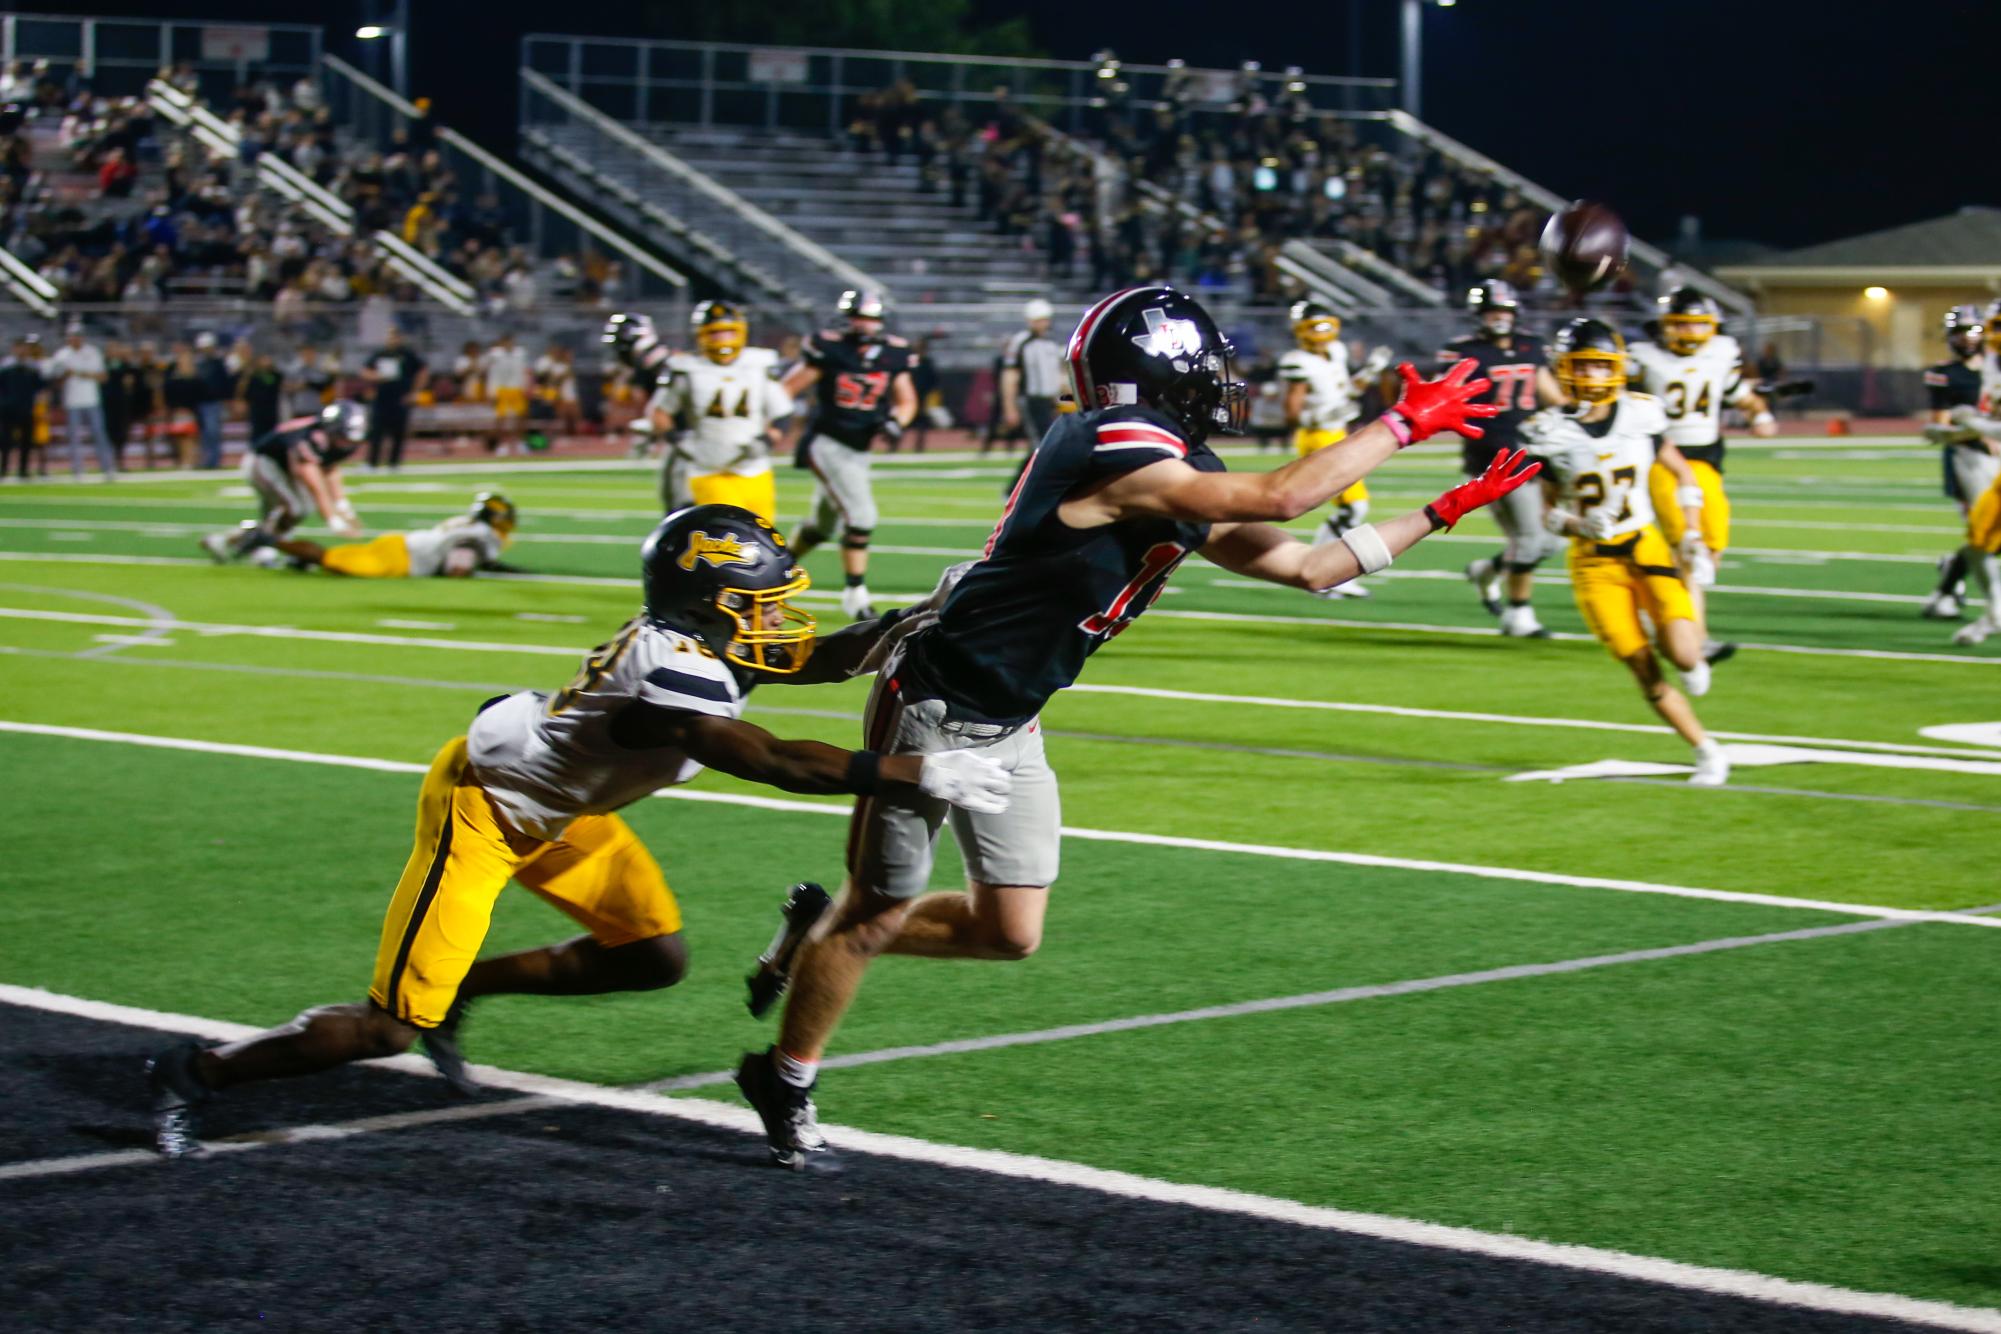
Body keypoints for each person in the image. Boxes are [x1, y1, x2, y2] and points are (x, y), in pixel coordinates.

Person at [735, 284, 1530, 1169]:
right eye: (1207, 368)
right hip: (939, 701)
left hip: (1014, 716)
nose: (1222, 383)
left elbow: (1310, 564)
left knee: (1009, 932)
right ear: (1162, 372)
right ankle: (784, 1078)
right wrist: (1402, 424)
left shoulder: (1166, 468)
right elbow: (1279, 497)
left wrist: (1443, 510)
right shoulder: (1111, 444)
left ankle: (818, 935)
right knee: (876, 907)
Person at [145, 505, 1012, 1158]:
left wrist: (916, 620)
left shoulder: (696, 636)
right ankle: (198, 1070)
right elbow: (767, 757)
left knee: (651, 956)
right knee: (385, 1030)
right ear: (713, 601)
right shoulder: (672, 666)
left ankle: (464, 991)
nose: (777, 618)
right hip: (486, 807)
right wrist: (916, 772)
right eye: (761, 602)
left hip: (559, 804)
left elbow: (815, 656)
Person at [1524, 318, 1728, 785]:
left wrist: (1692, 533)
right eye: (1584, 366)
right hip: (1593, 562)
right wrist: (1577, 523)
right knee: (1642, 665)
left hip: (1644, 543)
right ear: (1564, 369)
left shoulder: (1641, 413)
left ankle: (1694, 659)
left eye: (1602, 366)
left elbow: (1685, 476)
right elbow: (1549, 513)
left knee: (1683, 653)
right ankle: (1706, 750)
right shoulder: (1546, 430)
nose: (1594, 376)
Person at [1624, 288, 1776, 663]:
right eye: (1682, 324)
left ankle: (1662, 610)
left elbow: (1738, 393)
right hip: (1661, 458)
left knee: (1713, 547)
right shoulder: (1641, 358)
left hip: (1706, 460)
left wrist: (1759, 413)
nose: (1691, 333)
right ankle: (1695, 637)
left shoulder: (1721, 352)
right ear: (1664, 326)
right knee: (1688, 551)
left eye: (1697, 324)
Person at [783, 290, 920, 620]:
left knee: (821, 525)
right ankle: (855, 594)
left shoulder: (893, 353)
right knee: (861, 516)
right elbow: (787, 388)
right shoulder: (829, 348)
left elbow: (906, 401)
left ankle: (778, 566)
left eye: (870, 318)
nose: (863, 324)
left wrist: (895, 422)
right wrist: (774, 422)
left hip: (860, 448)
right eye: (858, 316)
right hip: (828, 440)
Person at [1447, 279, 1566, 636]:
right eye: (1491, 312)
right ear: (1479, 316)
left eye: (1503, 311)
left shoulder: (1531, 347)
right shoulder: (1466, 352)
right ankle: (1518, 614)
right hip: (1493, 454)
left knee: (1554, 539)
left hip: (1534, 449)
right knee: (1530, 538)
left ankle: (1488, 570)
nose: (1499, 318)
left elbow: (1550, 394)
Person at [1277, 299, 1390, 597]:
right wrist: (1317, 416)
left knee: (1352, 507)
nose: (1322, 332)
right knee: (1354, 506)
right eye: (1315, 326)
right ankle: (1325, 572)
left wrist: (1369, 371)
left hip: (1338, 432)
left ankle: (1321, 569)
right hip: (1317, 435)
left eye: (1325, 325)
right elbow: (1291, 412)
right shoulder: (1297, 361)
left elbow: (1348, 393)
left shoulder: (1336, 352)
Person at [652, 301, 792, 523]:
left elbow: (782, 413)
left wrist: (767, 440)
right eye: (715, 333)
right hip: (708, 467)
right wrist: (676, 439)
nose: (722, 339)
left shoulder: (759, 363)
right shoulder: (685, 368)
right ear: (701, 335)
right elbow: (660, 412)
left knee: (765, 538)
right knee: (733, 533)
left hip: (754, 467)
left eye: (728, 332)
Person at [198, 400, 368, 563]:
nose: (346, 444)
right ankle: (266, 547)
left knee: (291, 512)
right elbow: (314, 483)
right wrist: (333, 520)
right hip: (264, 463)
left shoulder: (337, 440)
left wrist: (343, 507)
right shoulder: (309, 437)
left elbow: (331, 470)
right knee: (295, 508)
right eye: (343, 437)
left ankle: (224, 540)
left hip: (284, 468)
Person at [242, 492, 520, 579]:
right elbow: (459, 566)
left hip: (401, 545)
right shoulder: (481, 533)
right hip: (401, 557)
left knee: (336, 560)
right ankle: (267, 540)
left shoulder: (470, 524)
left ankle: (293, 556)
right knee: (331, 558)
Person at [1918, 305, 1994, 620]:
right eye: (1960, 332)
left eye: (1972, 330)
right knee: (1984, 531)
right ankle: (1949, 592)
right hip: (1968, 459)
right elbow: (1939, 429)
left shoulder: (1994, 371)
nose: (1966, 338)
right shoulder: (1945, 373)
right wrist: (1978, 431)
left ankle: (1948, 580)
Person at [43, 321, 116, 480]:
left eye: (77, 336)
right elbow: (56, 381)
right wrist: (65, 375)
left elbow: (103, 377)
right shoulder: (62, 355)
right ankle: (78, 470)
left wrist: (77, 373)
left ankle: (108, 468)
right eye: (72, 336)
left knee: (99, 434)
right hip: (72, 401)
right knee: (74, 437)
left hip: (91, 400)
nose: (75, 339)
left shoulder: (92, 352)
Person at [362, 325, 427, 471]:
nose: (392, 340)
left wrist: (414, 392)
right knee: (377, 431)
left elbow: (422, 371)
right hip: (382, 398)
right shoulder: (380, 354)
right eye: (390, 336)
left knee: (398, 432)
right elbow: (365, 371)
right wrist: (376, 377)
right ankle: (372, 463)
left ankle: (394, 463)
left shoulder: (407, 354)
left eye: (395, 336)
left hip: (400, 398)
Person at [480, 331, 531, 455]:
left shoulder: (520, 353)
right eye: (506, 342)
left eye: (510, 342)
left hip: (517, 389)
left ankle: (520, 443)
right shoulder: (494, 354)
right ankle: (502, 444)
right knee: (501, 419)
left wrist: (526, 387)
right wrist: (491, 391)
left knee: (521, 417)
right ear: (501, 343)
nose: (508, 344)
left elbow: (525, 371)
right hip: (501, 389)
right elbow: (484, 370)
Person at [0, 335, 42, 481]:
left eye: (24, 347)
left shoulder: (32, 366)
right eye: (20, 347)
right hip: (8, 408)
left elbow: (40, 386)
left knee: (26, 441)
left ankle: (23, 470)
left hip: (27, 407)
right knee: (5, 440)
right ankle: (3, 469)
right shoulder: (5, 366)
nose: (22, 350)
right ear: (14, 349)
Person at [192, 332, 232, 470]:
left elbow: (225, 383)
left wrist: (227, 400)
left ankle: (214, 460)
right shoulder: (198, 364)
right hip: (200, 403)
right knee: (204, 433)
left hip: (214, 402)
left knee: (213, 431)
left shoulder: (218, 363)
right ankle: (207, 460)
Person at [238, 350, 285, 447]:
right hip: (257, 410)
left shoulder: (275, 375)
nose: (266, 361)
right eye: (263, 359)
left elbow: (281, 384)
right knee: (257, 434)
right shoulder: (253, 375)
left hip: (271, 410)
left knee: (272, 434)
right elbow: (243, 390)